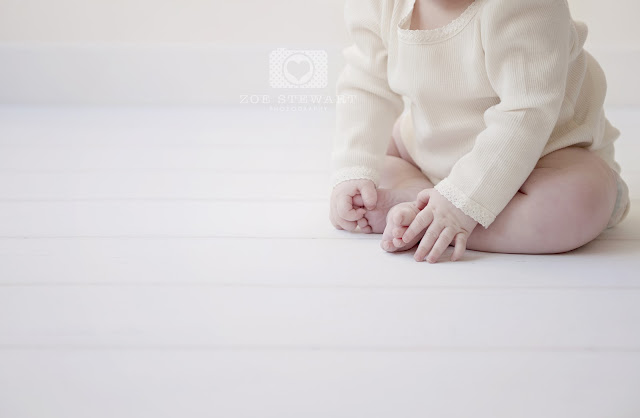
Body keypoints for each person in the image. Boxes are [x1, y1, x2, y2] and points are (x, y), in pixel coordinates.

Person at [328, 0, 631, 263]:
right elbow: (366, 83)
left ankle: (432, 217)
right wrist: (355, 170)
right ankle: (418, 198)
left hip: (543, 155)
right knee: (379, 165)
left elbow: (526, 113)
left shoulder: (527, 8)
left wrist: (461, 203)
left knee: (579, 201)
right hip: (428, 150)